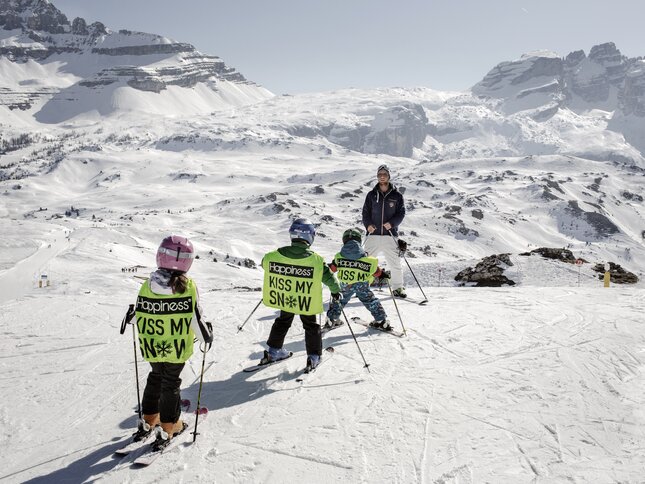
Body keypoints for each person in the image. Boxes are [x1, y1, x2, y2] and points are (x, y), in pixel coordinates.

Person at [133, 235, 213, 451]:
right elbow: (195, 317)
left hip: (152, 345)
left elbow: (138, 312)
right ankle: (169, 425)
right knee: (170, 383)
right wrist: (207, 336)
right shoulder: (188, 287)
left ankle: (149, 419)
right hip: (176, 348)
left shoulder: (148, 285)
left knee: (155, 377)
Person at [261, 218, 341, 370]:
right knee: (311, 326)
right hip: (306, 300)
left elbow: (265, 263)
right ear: (310, 236)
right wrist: (336, 292)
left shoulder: (277, 254)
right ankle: (313, 357)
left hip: (286, 297)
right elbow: (330, 278)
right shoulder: (315, 260)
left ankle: (273, 352)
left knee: (282, 321)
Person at [325, 228, 394, 331]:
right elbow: (376, 271)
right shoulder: (367, 258)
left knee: (339, 300)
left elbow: (332, 269)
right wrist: (381, 274)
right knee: (371, 301)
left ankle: (332, 319)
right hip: (362, 285)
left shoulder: (339, 257)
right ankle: (382, 321)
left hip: (345, 285)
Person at [362, 164, 407, 298]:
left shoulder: (397, 196)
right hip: (373, 235)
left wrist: (392, 224)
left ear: (388, 176)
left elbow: (401, 213)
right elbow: (365, 213)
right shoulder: (371, 195)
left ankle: (398, 288)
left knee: (395, 264)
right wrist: (368, 225)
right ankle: (361, 287)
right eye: (379, 174)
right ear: (377, 176)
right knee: (365, 264)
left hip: (389, 235)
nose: (382, 176)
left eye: (384, 174)